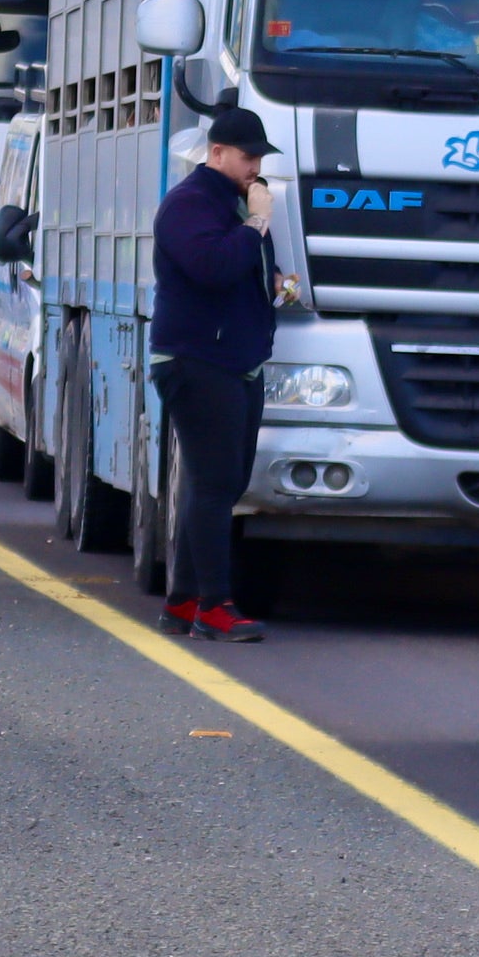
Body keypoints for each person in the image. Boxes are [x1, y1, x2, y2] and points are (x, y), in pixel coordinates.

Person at [150, 105, 300, 642]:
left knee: (224, 482)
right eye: (246, 156)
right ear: (216, 153)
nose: (255, 167)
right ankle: (215, 605)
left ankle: (182, 601)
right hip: (197, 360)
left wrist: (277, 280)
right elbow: (211, 267)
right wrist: (258, 221)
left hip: (237, 361)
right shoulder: (189, 204)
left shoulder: (235, 205)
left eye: (259, 157)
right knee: (213, 484)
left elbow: (243, 268)